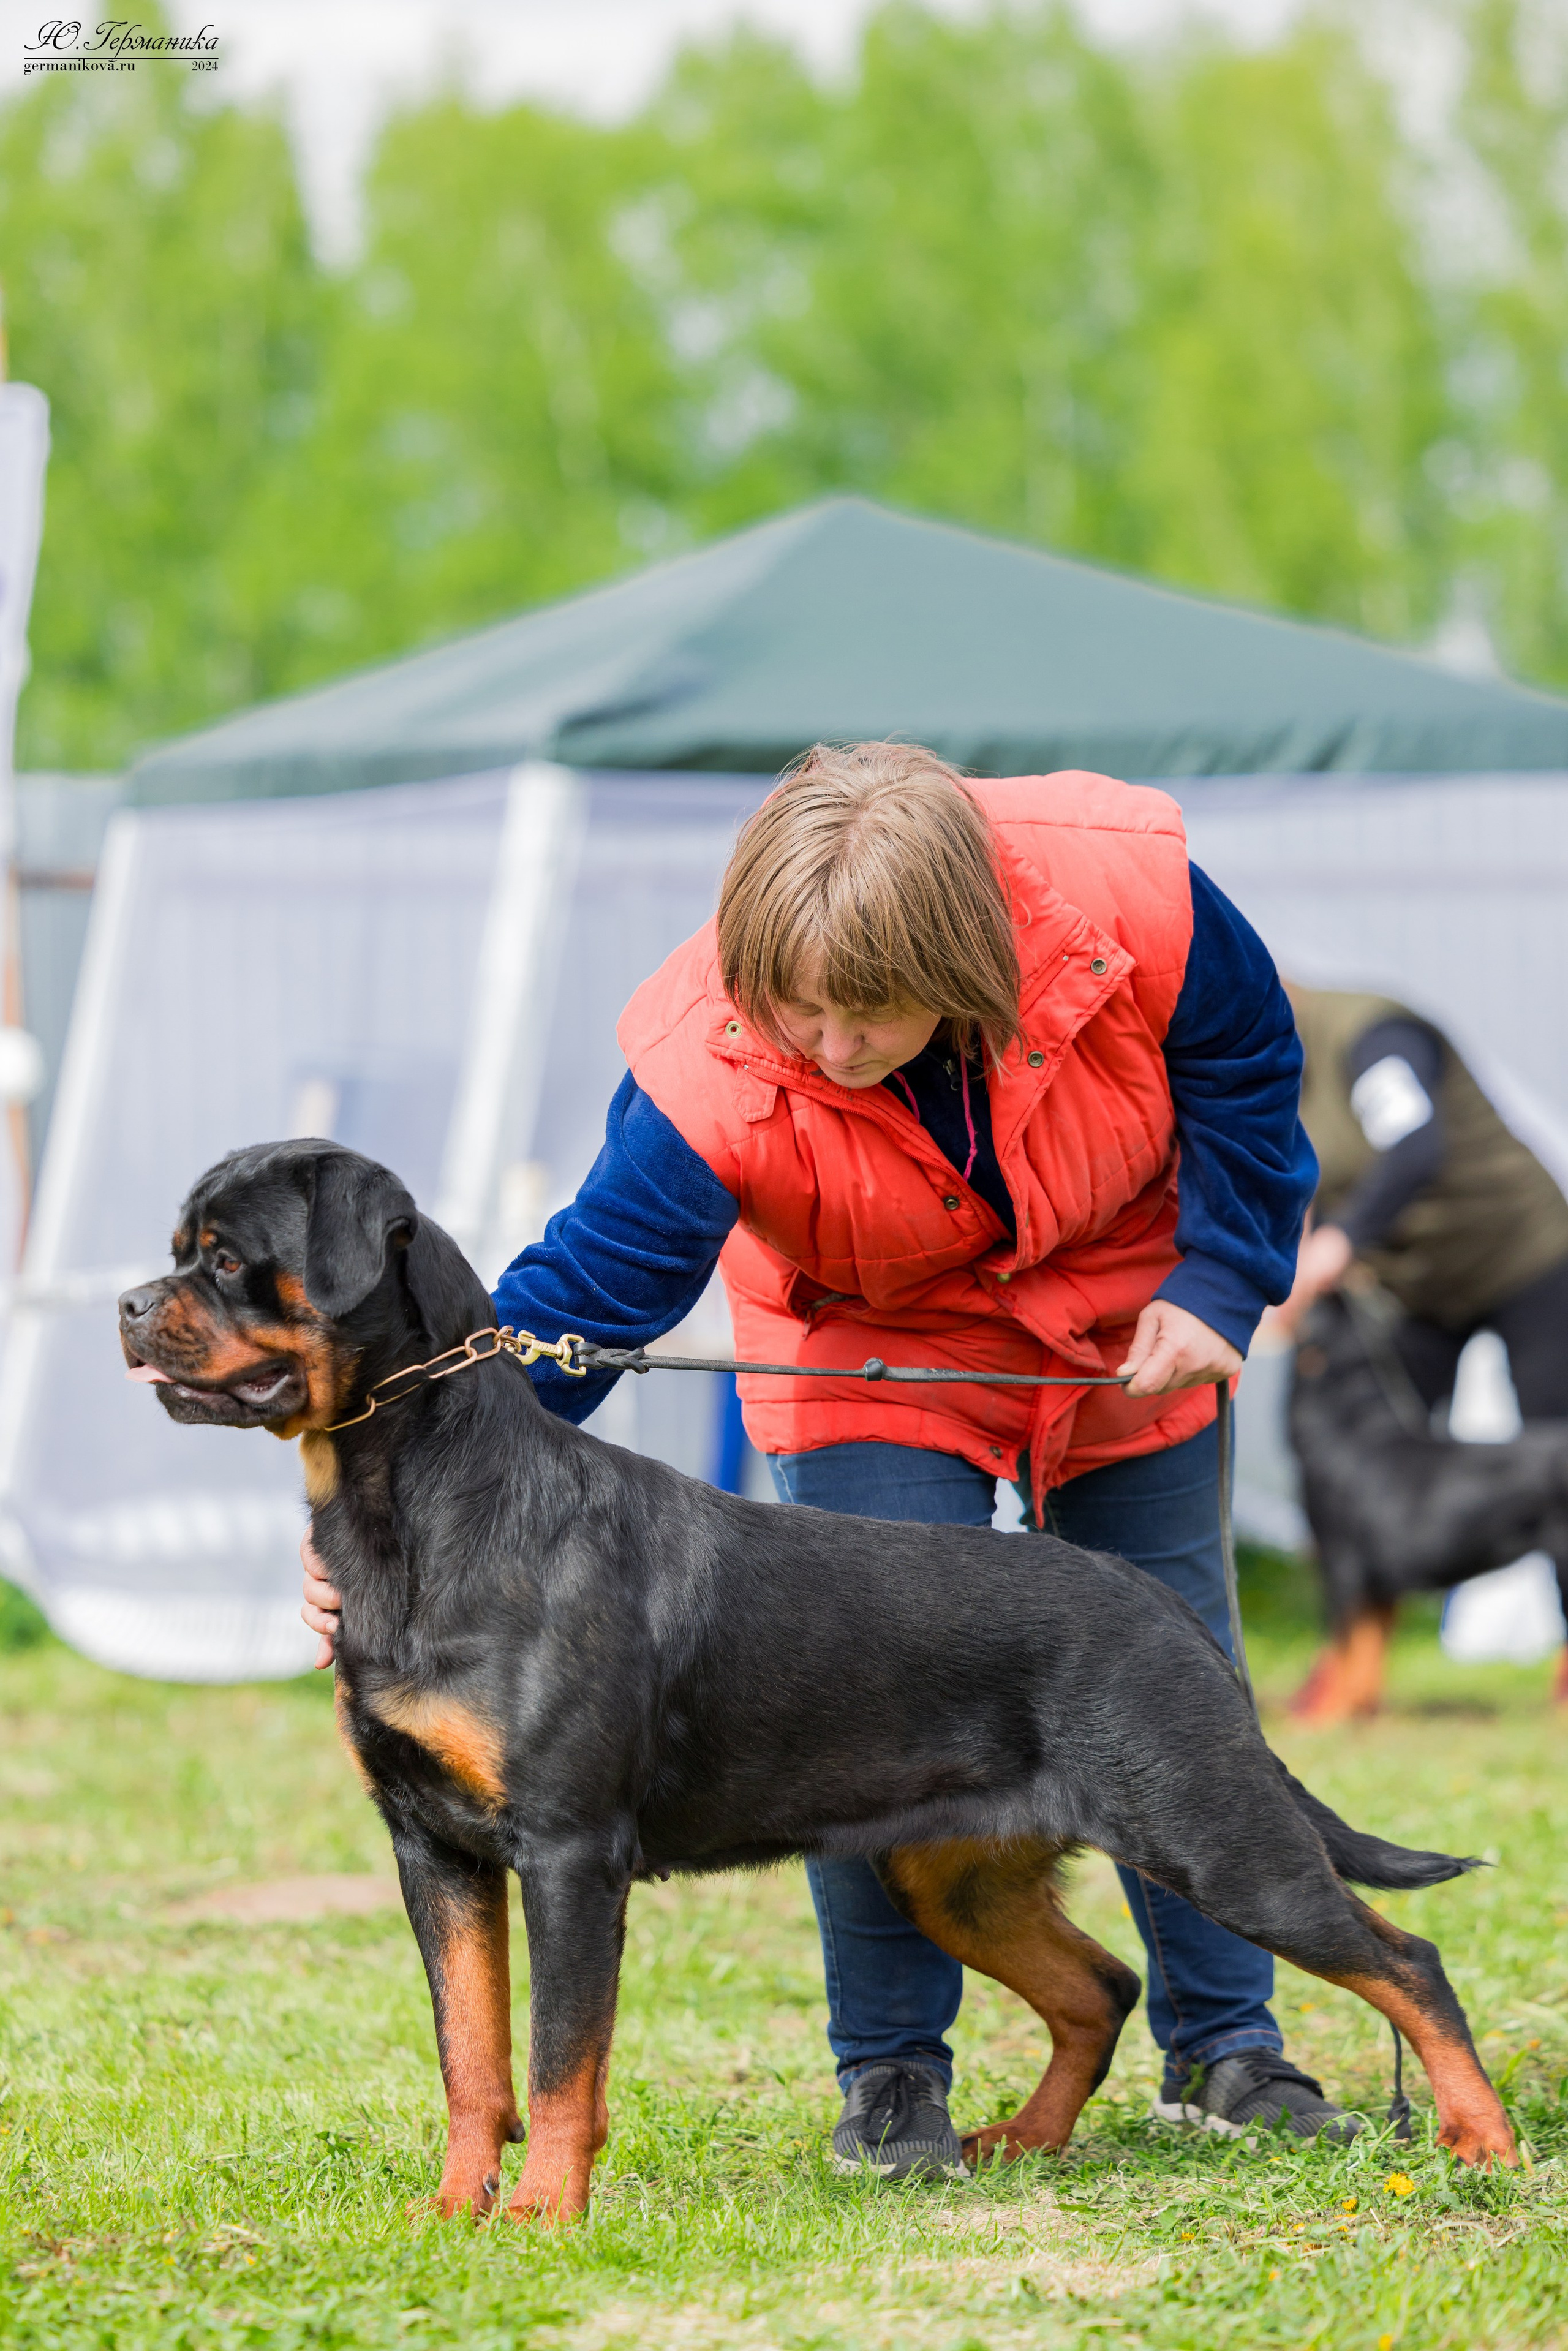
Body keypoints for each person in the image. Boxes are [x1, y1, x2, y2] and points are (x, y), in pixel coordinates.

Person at [303, 743, 1329, 2175]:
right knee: (852, 1696)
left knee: (1175, 1681)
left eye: (872, 1013)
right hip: (866, 1340)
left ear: (962, 961)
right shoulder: (701, 1062)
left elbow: (1243, 1062)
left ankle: (1228, 2055)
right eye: (798, 1012)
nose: (831, 1048)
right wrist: (396, 1524)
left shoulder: (1132, 900)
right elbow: (578, 1304)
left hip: (1124, 1318)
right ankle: (893, 2083)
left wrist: (1219, 1278)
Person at [1277, 984, 1568, 1721]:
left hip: (1523, 1258)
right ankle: (1348, 1661)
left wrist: (1336, 1246)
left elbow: (1415, 1148)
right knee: (1362, 1464)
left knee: (1556, 1460)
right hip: (1418, 1286)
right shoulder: (1278, 1071)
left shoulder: (1371, 1035)